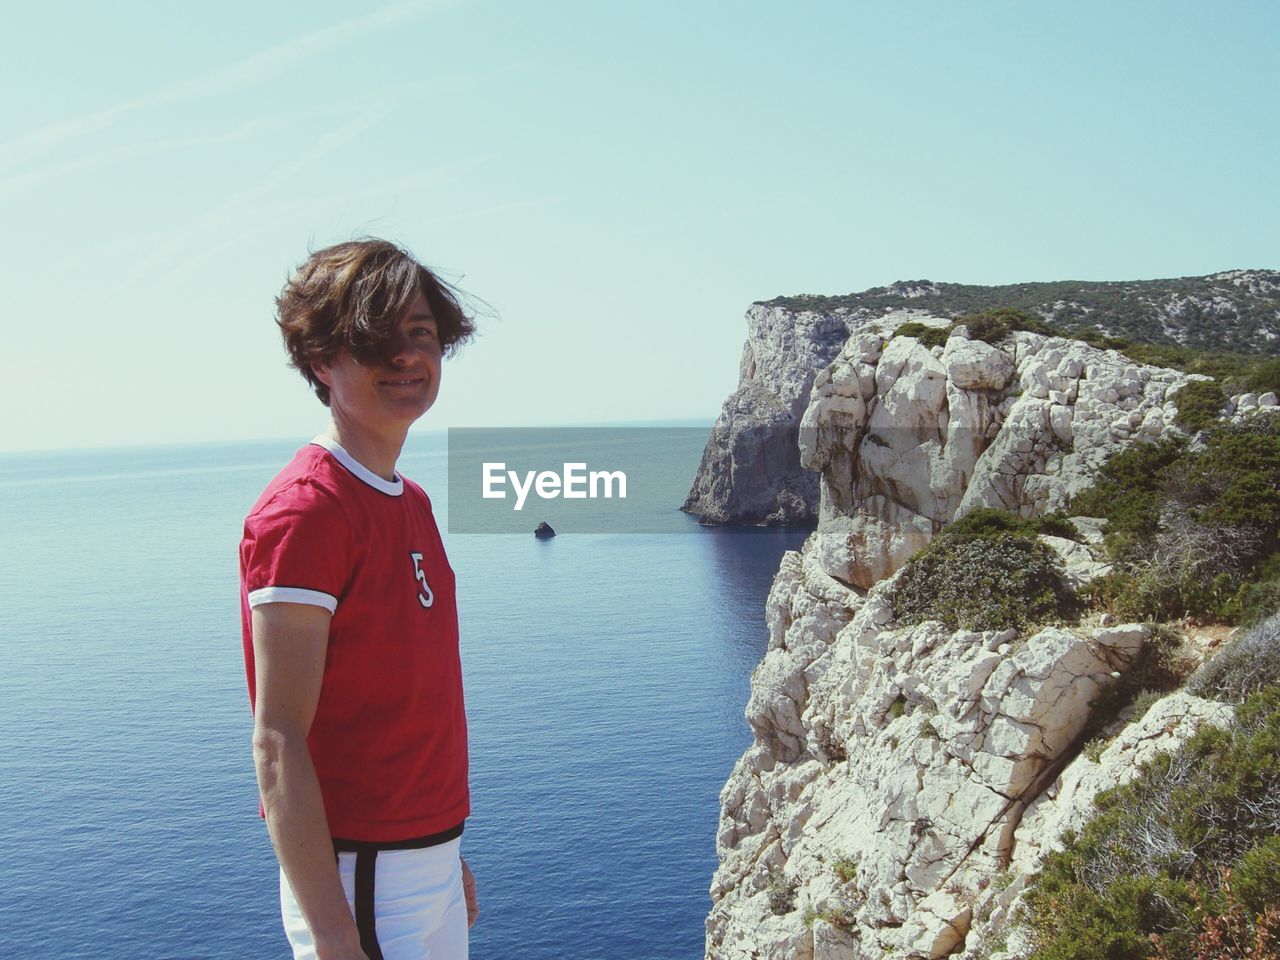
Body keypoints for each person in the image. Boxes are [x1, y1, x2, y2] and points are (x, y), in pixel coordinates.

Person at [238, 239, 478, 960]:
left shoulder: (412, 503)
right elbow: (278, 741)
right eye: (376, 339)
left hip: (417, 867)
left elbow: (404, 704)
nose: (407, 357)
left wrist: (443, 860)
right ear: (320, 360)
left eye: (422, 335)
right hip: (362, 879)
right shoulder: (307, 511)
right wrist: (338, 932)